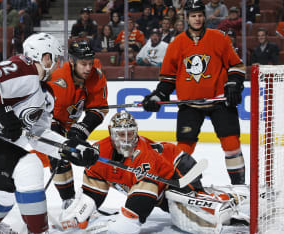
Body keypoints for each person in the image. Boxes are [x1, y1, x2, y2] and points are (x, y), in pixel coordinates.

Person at [0, 33, 100, 233]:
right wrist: (2, 113)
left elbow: (38, 134)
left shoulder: (45, 94)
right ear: (45, 57)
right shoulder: (25, 67)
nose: (57, 65)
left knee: (6, 189)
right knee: (29, 166)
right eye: (55, 59)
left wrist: (68, 148)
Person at [59, 111, 249, 234]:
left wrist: (120, 224)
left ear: (136, 132)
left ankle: (238, 195)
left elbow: (137, 212)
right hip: (162, 178)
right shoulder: (99, 152)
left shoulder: (144, 156)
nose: (126, 140)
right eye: (121, 134)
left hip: (178, 168)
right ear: (111, 133)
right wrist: (79, 215)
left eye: (130, 134)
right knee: (175, 209)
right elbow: (93, 190)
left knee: (190, 218)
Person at [141, 0, 246, 185]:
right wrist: (158, 96)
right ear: (186, 17)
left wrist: (233, 83)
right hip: (190, 105)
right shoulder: (176, 44)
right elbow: (168, 78)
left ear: (204, 16)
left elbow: (236, 66)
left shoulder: (219, 37)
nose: (197, 19)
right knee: (182, 150)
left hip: (220, 102)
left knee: (231, 145)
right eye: (193, 16)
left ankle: (239, 187)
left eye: (199, 15)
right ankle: (178, 186)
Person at [38, 40, 108, 210]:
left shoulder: (96, 76)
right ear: (72, 61)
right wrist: (58, 138)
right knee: (57, 157)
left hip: (69, 122)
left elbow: (99, 109)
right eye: (83, 64)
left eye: (90, 63)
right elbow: (45, 114)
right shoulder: (57, 80)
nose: (88, 68)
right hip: (47, 121)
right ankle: (68, 200)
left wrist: (82, 129)